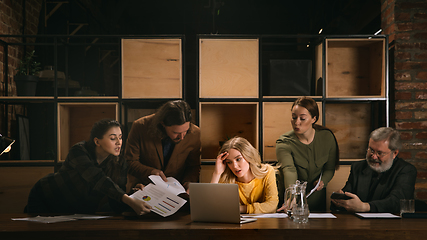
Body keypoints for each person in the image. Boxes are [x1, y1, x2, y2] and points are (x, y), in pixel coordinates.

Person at [26, 119, 152, 215]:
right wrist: (128, 200)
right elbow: (97, 178)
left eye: (120, 137)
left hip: (76, 210)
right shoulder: (79, 151)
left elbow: (116, 199)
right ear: (97, 141)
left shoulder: (120, 163)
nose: (119, 142)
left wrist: (135, 195)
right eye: (113, 138)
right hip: (46, 198)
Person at [331, 127, 417, 213]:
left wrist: (365, 207)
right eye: (371, 150)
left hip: (391, 224)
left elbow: (397, 202)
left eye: (379, 153)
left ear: (394, 153)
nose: (374, 156)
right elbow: (348, 196)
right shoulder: (358, 167)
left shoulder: (406, 170)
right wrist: (340, 201)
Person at [276, 96, 339, 212]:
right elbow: (289, 170)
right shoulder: (284, 142)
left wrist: (323, 182)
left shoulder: (327, 137)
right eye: (294, 117)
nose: (296, 122)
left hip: (316, 200)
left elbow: (330, 168)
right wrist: (291, 198)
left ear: (313, 119)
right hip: (291, 200)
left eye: (302, 118)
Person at [125, 100, 201, 192]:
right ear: (163, 123)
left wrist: (189, 182)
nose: (182, 137)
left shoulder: (195, 133)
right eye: (176, 133)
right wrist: (151, 172)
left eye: (185, 131)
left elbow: (194, 166)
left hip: (177, 192)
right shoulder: (140, 127)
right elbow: (130, 162)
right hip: (144, 188)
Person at [211, 136, 279, 214]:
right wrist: (216, 174)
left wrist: (241, 209)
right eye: (229, 162)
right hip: (237, 225)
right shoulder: (226, 178)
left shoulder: (267, 171)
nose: (235, 166)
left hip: (264, 224)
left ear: (248, 156)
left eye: (238, 159)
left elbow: (272, 205)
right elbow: (212, 206)